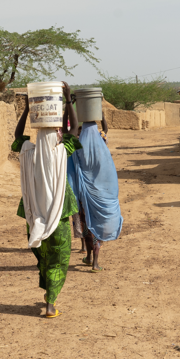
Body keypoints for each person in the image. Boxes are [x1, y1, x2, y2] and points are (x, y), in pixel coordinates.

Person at [12, 82, 81, 318]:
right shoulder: (60, 152)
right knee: (59, 259)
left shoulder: (28, 151)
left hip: (34, 217)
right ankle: (51, 302)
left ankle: (47, 293)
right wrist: (68, 98)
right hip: (59, 215)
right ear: (57, 136)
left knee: (44, 255)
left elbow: (17, 135)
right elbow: (74, 129)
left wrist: (27, 110)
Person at [72, 115, 122, 272]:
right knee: (98, 228)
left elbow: (70, 133)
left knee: (88, 228)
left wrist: (68, 104)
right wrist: (101, 116)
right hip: (103, 194)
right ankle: (95, 263)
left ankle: (88, 257)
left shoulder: (77, 145)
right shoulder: (102, 142)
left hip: (84, 194)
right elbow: (105, 129)